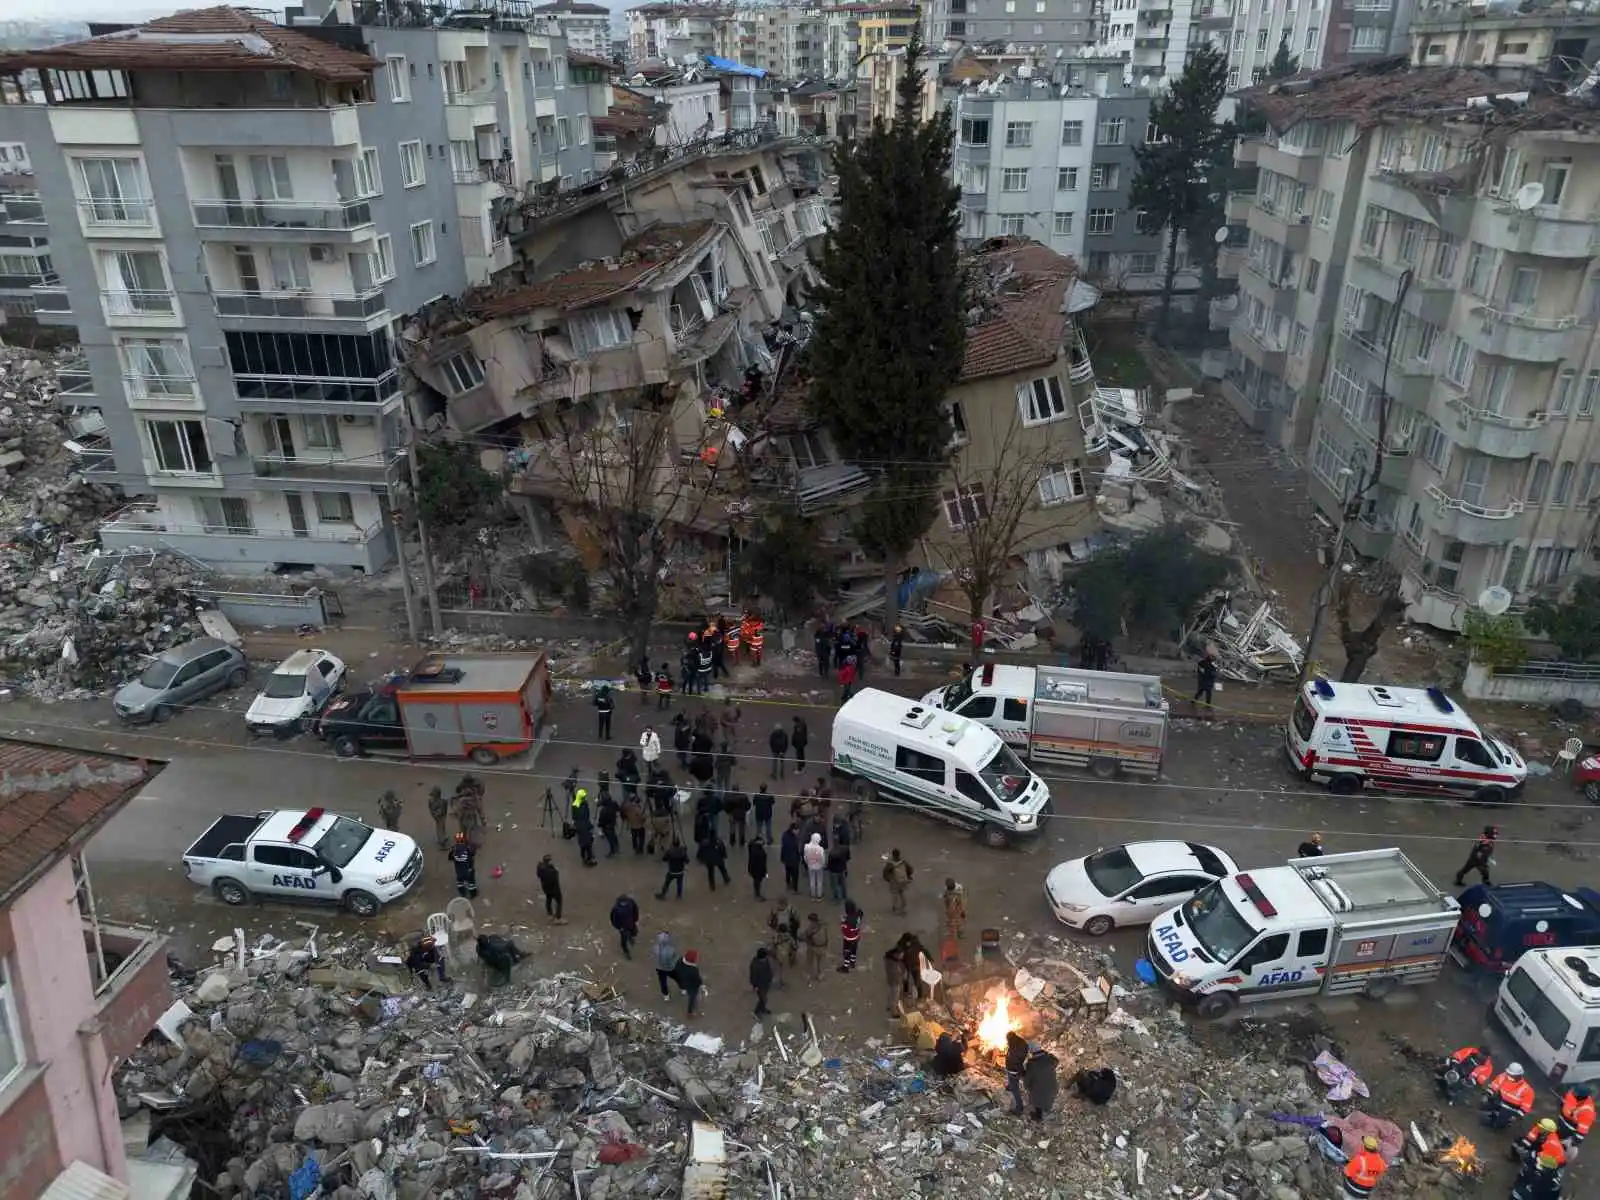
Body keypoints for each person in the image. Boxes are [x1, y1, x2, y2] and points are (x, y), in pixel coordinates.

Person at [1486, 1062, 1537, 1128]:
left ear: (1520, 1075)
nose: (1509, 1076)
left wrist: (1515, 1116)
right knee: (1483, 1107)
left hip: (1511, 1109)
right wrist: (1487, 1094)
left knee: (1497, 1125)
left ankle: (1504, 1122)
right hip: (1499, 1101)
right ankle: (1494, 1114)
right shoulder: (1503, 1076)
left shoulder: (1528, 1090)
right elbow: (1494, 1086)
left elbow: (1525, 1108)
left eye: (1513, 1075)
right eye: (1509, 1074)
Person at [1023, 1042, 1059, 1121]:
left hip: (1041, 1091)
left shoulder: (1031, 1064)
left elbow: (1027, 1079)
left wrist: (1026, 1086)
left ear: (1031, 1051)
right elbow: (1056, 1061)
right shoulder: (1050, 1058)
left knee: (1036, 1098)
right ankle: (1047, 1108)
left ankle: (1038, 1117)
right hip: (1053, 1086)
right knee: (1047, 1097)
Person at [768, 898, 799, 985]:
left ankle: (792, 959)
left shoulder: (791, 910)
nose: (780, 906)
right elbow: (770, 920)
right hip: (779, 930)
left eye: (782, 904)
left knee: (791, 946)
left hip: (789, 930)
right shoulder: (775, 911)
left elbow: (796, 920)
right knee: (779, 944)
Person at [1559, 1083, 1594, 1150]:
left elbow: (1581, 1132)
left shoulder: (1587, 1112)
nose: (1573, 1094)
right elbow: (1565, 1102)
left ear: (1582, 1097)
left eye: (1575, 1094)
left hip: (1568, 1133)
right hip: (1561, 1123)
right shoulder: (1572, 1093)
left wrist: (1572, 1143)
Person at [454, 778, 486, 849]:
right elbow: (479, 808)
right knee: (472, 831)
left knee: (463, 830)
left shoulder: (461, 800)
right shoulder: (475, 799)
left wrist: (458, 815)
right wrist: (482, 819)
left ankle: (463, 843)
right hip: (471, 816)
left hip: (463, 817)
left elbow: (457, 809)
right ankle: (471, 844)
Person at [672, 948, 704, 1017]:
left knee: (682, 985)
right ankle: (690, 1012)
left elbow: (675, 969)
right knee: (692, 997)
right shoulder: (693, 970)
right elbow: (697, 980)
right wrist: (701, 985)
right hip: (691, 986)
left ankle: (682, 990)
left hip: (681, 979)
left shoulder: (680, 960)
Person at [1004, 1030, 1029, 1114]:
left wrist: (1020, 1072)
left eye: (1007, 1040)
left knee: (1015, 1089)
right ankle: (1010, 1086)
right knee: (1010, 1079)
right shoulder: (1021, 1042)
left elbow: (1016, 1064)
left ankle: (1019, 1107)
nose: (1007, 1041)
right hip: (1014, 1069)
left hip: (1013, 1071)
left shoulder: (1014, 1050)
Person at [882, 848, 913, 915]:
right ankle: (903, 906)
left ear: (893, 855)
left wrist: (888, 879)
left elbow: (885, 872)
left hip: (894, 881)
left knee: (895, 894)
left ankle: (895, 907)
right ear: (899, 854)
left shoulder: (890, 863)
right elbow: (910, 869)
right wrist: (908, 876)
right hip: (902, 879)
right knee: (902, 893)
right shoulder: (903, 861)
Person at [609, 894, 641, 959]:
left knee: (634, 932)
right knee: (623, 940)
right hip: (623, 927)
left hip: (631, 923)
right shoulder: (616, 909)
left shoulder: (631, 902)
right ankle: (626, 952)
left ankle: (630, 938)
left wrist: (635, 919)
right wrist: (619, 927)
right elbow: (613, 919)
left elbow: (635, 910)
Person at [572, 787, 597, 867]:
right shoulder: (583, 804)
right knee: (587, 843)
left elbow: (574, 816)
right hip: (584, 825)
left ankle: (584, 857)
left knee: (583, 843)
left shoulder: (576, 804)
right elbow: (586, 814)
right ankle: (588, 858)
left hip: (580, 825)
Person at [450, 831, 478, 899]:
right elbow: (473, 853)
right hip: (468, 871)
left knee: (460, 883)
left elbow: (450, 858)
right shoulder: (467, 849)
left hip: (459, 871)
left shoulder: (454, 849)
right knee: (471, 883)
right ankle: (472, 894)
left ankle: (462, 893)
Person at [536, 854, 564, 922]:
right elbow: (555, 878)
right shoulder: (550, 871)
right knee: (559, 901)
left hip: (545, 887)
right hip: (553, 888)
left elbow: (539, 875)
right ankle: (558, 918)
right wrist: (555, 871)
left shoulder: (540, 868)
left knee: (549, 899)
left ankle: (550, 914)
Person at [838, 899, 864, 972]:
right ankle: (852, 962)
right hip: (856, 937)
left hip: (848, 939)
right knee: (853, 950)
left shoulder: (847, 922)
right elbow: (859, 914)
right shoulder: (858, 915)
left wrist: (842, 922)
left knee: (846, 952)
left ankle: (846, 967)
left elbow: (844, 930)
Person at [802, 911, 827, 982]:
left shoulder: (811, 928)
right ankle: (820, 975)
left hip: (813, 947)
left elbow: (806, 935)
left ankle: (809, 974)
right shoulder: (823, 927)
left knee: (810, 961)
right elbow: (826, 937)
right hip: (821, 947)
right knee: (820, 962)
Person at [654, 932, 681, 1000]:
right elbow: (675, 959)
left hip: (659, 968)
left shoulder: (655, 948)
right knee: (678, 978)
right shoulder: (671, 949)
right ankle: (683, 988)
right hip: (670, 968)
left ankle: (666, 995)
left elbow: (654, 957)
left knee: (663, 982)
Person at [883, 943, 908, 1017]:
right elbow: (897, 973)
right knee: (895, 996)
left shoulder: (889, 959)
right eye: (901, 955)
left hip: (890, 980)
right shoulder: (894, 963)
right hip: (894, 981)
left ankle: (888, 1006)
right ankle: (894, 1012)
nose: (902, 956)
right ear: (897, 954)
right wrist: (902, 975)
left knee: (890, 992)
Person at [750, 947, 775, 1017]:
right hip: (760, 985)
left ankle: (763, 1009)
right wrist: (755, 986)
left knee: (764, 998)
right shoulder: (755, 965)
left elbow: (768, 969)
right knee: (763, 999)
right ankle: (756, 1012)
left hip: (766, 983)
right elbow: (753, 977)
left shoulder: (765, 960)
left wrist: (770, 978)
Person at [779, 820, 803, 892]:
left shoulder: (785, 835)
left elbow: (783, 847)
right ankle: (794, 888)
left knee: (788, 872)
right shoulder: (794, 838)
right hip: (793, 859)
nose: (798, 832)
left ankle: (789, 884)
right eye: (797, 830)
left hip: (788, 858)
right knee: (795, 874)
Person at [621, 789, 647, 855]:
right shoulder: (636, 809)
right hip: (640, 825)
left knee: (634, 837)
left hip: (632, 825)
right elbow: (642, 817)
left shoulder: (626, 807)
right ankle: (640, 849)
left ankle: (635, 848)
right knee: (641, 838)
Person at [598, 787, 621, 858]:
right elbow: (618, 809)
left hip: (607, 826)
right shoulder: (613, 803)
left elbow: (601, 821)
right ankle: (616, 847)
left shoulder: (603, 811)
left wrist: (600, 825)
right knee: (614, 835)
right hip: (613, 823)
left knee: (610, 838)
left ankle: (612, 851)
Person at [826, 836, 851, 901]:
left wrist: (828, 868)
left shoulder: (832, 852)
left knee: (835, 885)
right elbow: (848, 857)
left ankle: (837, 897)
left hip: (834, 871)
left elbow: (829, 863)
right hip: (842, 869)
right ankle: (844, 895)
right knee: (843, 884)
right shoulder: (844, 849)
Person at [1193, 648, 1218, 714]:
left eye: (1213, 657)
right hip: (1203, 680)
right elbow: (1200, 671)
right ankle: (1194, 701)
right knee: (1200, 691)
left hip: (1209, 681)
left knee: (1208, 693)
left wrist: (1213, 674)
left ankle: (1207, 705)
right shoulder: (1203, 663)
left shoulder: (1213, 665)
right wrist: (1205, 675)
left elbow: (1214, 672)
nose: (1212, 658)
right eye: (1211, 656)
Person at [803, 832, 827, 898]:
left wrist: (808, 863)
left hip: (810, 866)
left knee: (812, 880)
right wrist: (823, 864)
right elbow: (822, 858)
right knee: (819, 881)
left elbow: (805, 857)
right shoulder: (820, 849)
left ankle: (813, 894)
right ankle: (819, 895)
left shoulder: (806, 847)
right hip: (819, 867)